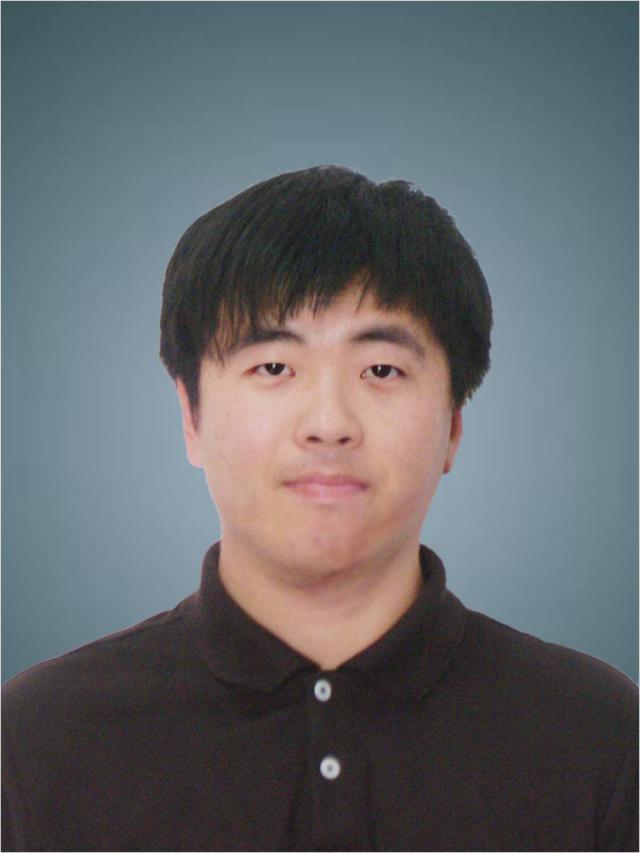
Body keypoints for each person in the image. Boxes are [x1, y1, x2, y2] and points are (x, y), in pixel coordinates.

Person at [2, 165, 637, 852]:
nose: (329, 423)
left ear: (454, 423)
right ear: (191, 416)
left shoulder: (599, 734)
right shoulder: (39, 740)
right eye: (274, 367)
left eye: (382, 370)